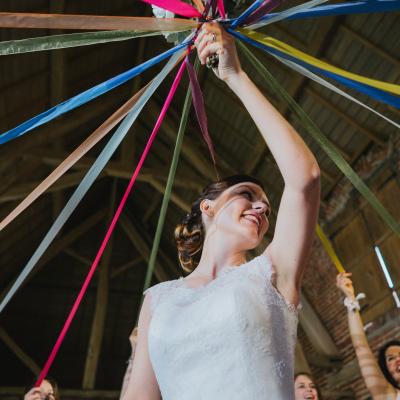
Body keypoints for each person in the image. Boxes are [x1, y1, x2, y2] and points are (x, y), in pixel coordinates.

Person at [122, 21, 320, 400]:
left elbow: (305, 179)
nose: (262, 206)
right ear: (207, 207)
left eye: (266, 204)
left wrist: (234, 75)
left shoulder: (273, 272)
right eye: (248, 194)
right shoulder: (158, 299)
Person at [337, 272, 400, 400]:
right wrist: (351, 300)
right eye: (391, 359)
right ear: (386, 372)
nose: (399, 359)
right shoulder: (389, 396)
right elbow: (361, 348)